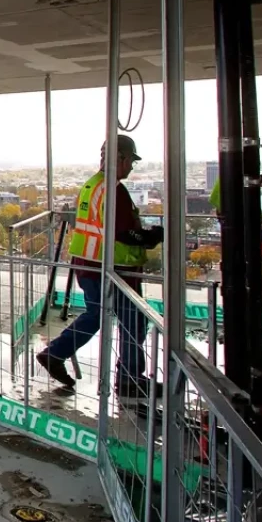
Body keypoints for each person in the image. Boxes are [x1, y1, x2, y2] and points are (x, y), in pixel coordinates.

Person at [37, 135, 163, 398]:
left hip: (92, 263)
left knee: (99, 315)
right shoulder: (113, 190)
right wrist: (152, 236)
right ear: (121, 159)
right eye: (130, 161)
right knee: (132, 320)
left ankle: (56, 353)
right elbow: (124, 233)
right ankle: (129, 380)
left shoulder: (94, 185)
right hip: (109, 266)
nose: (130, 167)